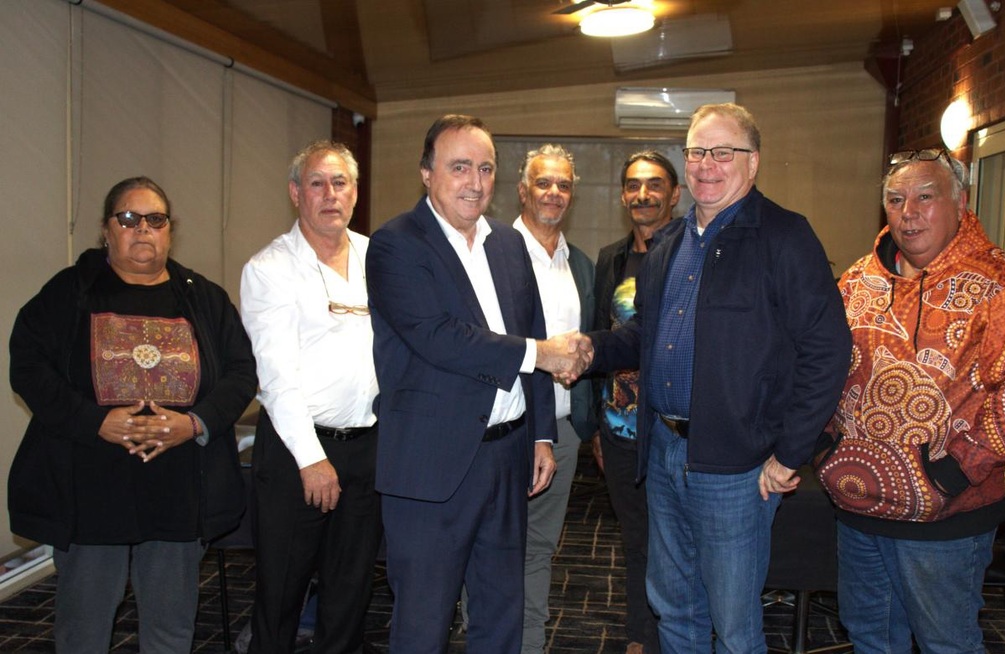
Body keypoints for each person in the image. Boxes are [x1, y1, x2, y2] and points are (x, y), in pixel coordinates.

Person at [585, 103, 851, 653]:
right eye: (697, 151)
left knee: (733, 627)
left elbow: (827, 351)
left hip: (737, 469)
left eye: (723, 152)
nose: (707, 164)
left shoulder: (785, 237)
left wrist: (788, 454)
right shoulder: (669, 245)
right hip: (662, 456)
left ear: (752, 163)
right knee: (674, 610)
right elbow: (646, 340)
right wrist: (587, 350)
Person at [814, 147, 1005, 654]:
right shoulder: (858, 281)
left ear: (961, 202)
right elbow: (823, 366)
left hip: (947, 512)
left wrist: (954, 471)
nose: (909, 212)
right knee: (870, 639)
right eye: (896, 199)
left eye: (926, 197)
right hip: (859, 503)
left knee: (946, 644)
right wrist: (825, 442)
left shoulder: (1004, 282)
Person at [366, 115, 590, 653]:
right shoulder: (396, 244)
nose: (474, 181)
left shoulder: (508, 244)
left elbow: (528, 327)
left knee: (501, 614)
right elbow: (440, 337)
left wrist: (540, 434)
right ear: (426, 173)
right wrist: (543, 354)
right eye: (459, 167)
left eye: (485, 168)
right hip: (431, 464)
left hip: (506, 457)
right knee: (423, 621)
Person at [8, 177, 257, 653]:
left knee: (170, 629)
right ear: (107, 229)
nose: (142, 228)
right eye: (128, 218)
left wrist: (195, 423)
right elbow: (28, 367)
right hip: (91, 495)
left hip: (179, 494)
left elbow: (242, 373)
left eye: (155, 219)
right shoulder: (67, 293)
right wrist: (93, 420)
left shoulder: (203, 298)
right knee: (84, 630)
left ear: (169, 230)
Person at [239, 141, 381, 653]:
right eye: (317, 183)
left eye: (340, 183)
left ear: (355, 192)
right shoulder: (269, 268)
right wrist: (312, 460)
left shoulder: (377, 256)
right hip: (298, 452)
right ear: (296, 193)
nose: (329, 195)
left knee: (350, 592)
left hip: (368, 448)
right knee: (280, 596)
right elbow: (275, 380)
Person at [592, 150, 682, 654]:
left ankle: (679, 635)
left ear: (674, 193)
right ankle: (639, 637)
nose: (642, 194)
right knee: (636, 540)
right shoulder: (611, 258)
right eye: (632, 185)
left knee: (678, 542)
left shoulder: (692, 252)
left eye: (653, 185)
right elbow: (603, 340)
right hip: (620, 428)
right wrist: (596, 430)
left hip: (675, 428)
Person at [512, 144, 598, 653]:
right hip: (507, 427)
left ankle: (528, 642)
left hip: (562, 430)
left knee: (540, 547)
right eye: (543, 183)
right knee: (496, 545)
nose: (553, 193)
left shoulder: (580, 264)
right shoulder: (492, 251)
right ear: (523, 190)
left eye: (563, 185)